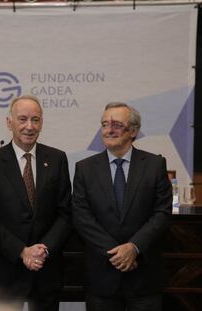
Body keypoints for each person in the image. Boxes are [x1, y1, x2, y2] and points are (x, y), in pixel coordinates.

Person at [72, 102, 172, 311]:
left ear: (133, 131)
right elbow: (82, 217)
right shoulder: (85, 169)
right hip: (101, 279)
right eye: (104, 124)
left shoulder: (155, 165)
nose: (109, 130)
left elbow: (161, 213)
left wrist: (133, 247)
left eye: (116, 125)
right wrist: (117, 254)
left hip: (144, 277)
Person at [0, 95, 72, 311]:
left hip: (46, 269)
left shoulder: (57, 159)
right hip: (6, 270)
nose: (29, 126)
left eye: (35, 120)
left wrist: (43, 250)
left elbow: (65, 213)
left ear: (42, 123)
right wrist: (22, 251)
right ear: (9, 122)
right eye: (22, 119)